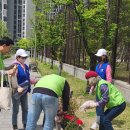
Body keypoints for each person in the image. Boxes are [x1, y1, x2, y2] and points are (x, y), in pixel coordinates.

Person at [89, 49, 113, 129]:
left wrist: (107, 91)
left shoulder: (107, 66)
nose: (98, 57)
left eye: (99, 56)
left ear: (104, 56)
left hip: (104, 91)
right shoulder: (97, 66)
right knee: (98, 109)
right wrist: (92, 88)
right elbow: (95, 79)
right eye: (97, 56)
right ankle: (99, 123)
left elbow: (109, 80)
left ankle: (99, 123)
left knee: (99, 108)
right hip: (98, 91)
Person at [11, 49, 31, 130]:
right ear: (17, 57)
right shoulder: (15, 66)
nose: (24, 59)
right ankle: (15, 125)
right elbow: (13, 79)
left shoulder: (26, 66)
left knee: (25, 108)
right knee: (16, 109)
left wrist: (33, 81)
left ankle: (25, 123)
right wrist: (18, 87)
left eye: (25, 57)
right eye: (22, 57)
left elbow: (27, 77)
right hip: (17, 91)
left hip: (24, 91)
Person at [0, 37, 16, 112]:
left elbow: (1, 69)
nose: (9, 50)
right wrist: (8, 72)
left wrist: (8, 68)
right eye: (9, 48)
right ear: (4, 45)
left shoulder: (1, 56)